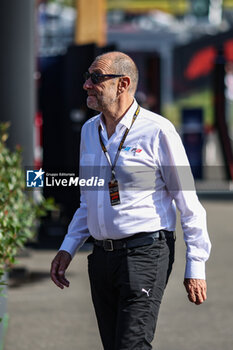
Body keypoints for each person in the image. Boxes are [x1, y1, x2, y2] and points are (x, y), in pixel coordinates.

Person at [50, 51, 211, 350]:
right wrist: (68, 247)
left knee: (131, 346)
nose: (86, 85)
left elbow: (188, 202)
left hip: (145, 254)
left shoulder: (158, 130)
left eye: (95, 78)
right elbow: (88, 199)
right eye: (87, 77)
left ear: (122, 84)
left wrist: (196, 265)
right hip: (101, 259)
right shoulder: (89, 131)